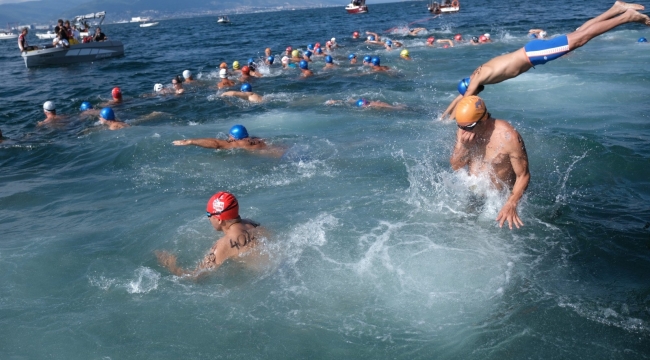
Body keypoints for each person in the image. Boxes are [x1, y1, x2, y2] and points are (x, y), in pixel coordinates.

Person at [442, 1, 650, 119]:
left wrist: (452, 121)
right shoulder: (477, 74)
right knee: (578, 34)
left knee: (580, 39)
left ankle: (627, 17)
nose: (477, 93)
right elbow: (460, 96)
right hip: (532, 52)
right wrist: (443, 117)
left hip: (532, 55)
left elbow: (466, 97)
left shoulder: (479, 78)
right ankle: (615, 9)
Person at [450, 96, 530, 230]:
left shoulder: (508, 137)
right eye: (460, 126)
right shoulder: (464, 130)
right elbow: (455, 166)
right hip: (475, 192)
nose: (464, 132)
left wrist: (511, 204)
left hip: (500, 198)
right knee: (458, 228)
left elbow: (523, 175)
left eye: (469, 127)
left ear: (484, 119)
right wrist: (465, 147)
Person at [156, 191, 269, 277]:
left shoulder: (221, 247)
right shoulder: (253, 224)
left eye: (208, 214)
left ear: (219, 219)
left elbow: (196, 277)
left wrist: (171, 266)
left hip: (258, 276)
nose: (208, 218)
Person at [172, 124, 284, 156]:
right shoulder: (257, 139)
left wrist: (191, 141)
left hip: (280, 156)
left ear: (233, 137)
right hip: (283, 150)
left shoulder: (239, 143)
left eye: (229, 137)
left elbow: (216, 144)